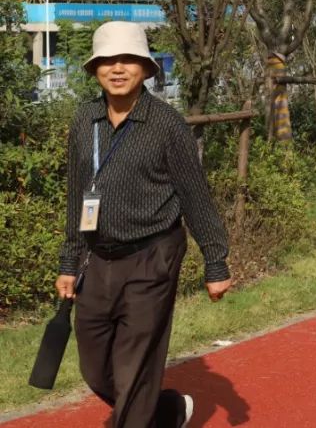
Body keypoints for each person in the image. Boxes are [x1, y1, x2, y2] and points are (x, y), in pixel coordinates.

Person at [57, 21, 231, 427]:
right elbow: (76, 196)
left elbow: (195, 195)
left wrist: (215, 260)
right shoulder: (85, 121)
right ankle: (167, 412)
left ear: (146, 69)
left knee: (135, 363)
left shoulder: (167, 125)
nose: (117, 68)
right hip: (97, 259)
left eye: (128, 60)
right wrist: (69, 261)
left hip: (153, 254)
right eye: (107, 61)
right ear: (95, 68)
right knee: (96, 366)